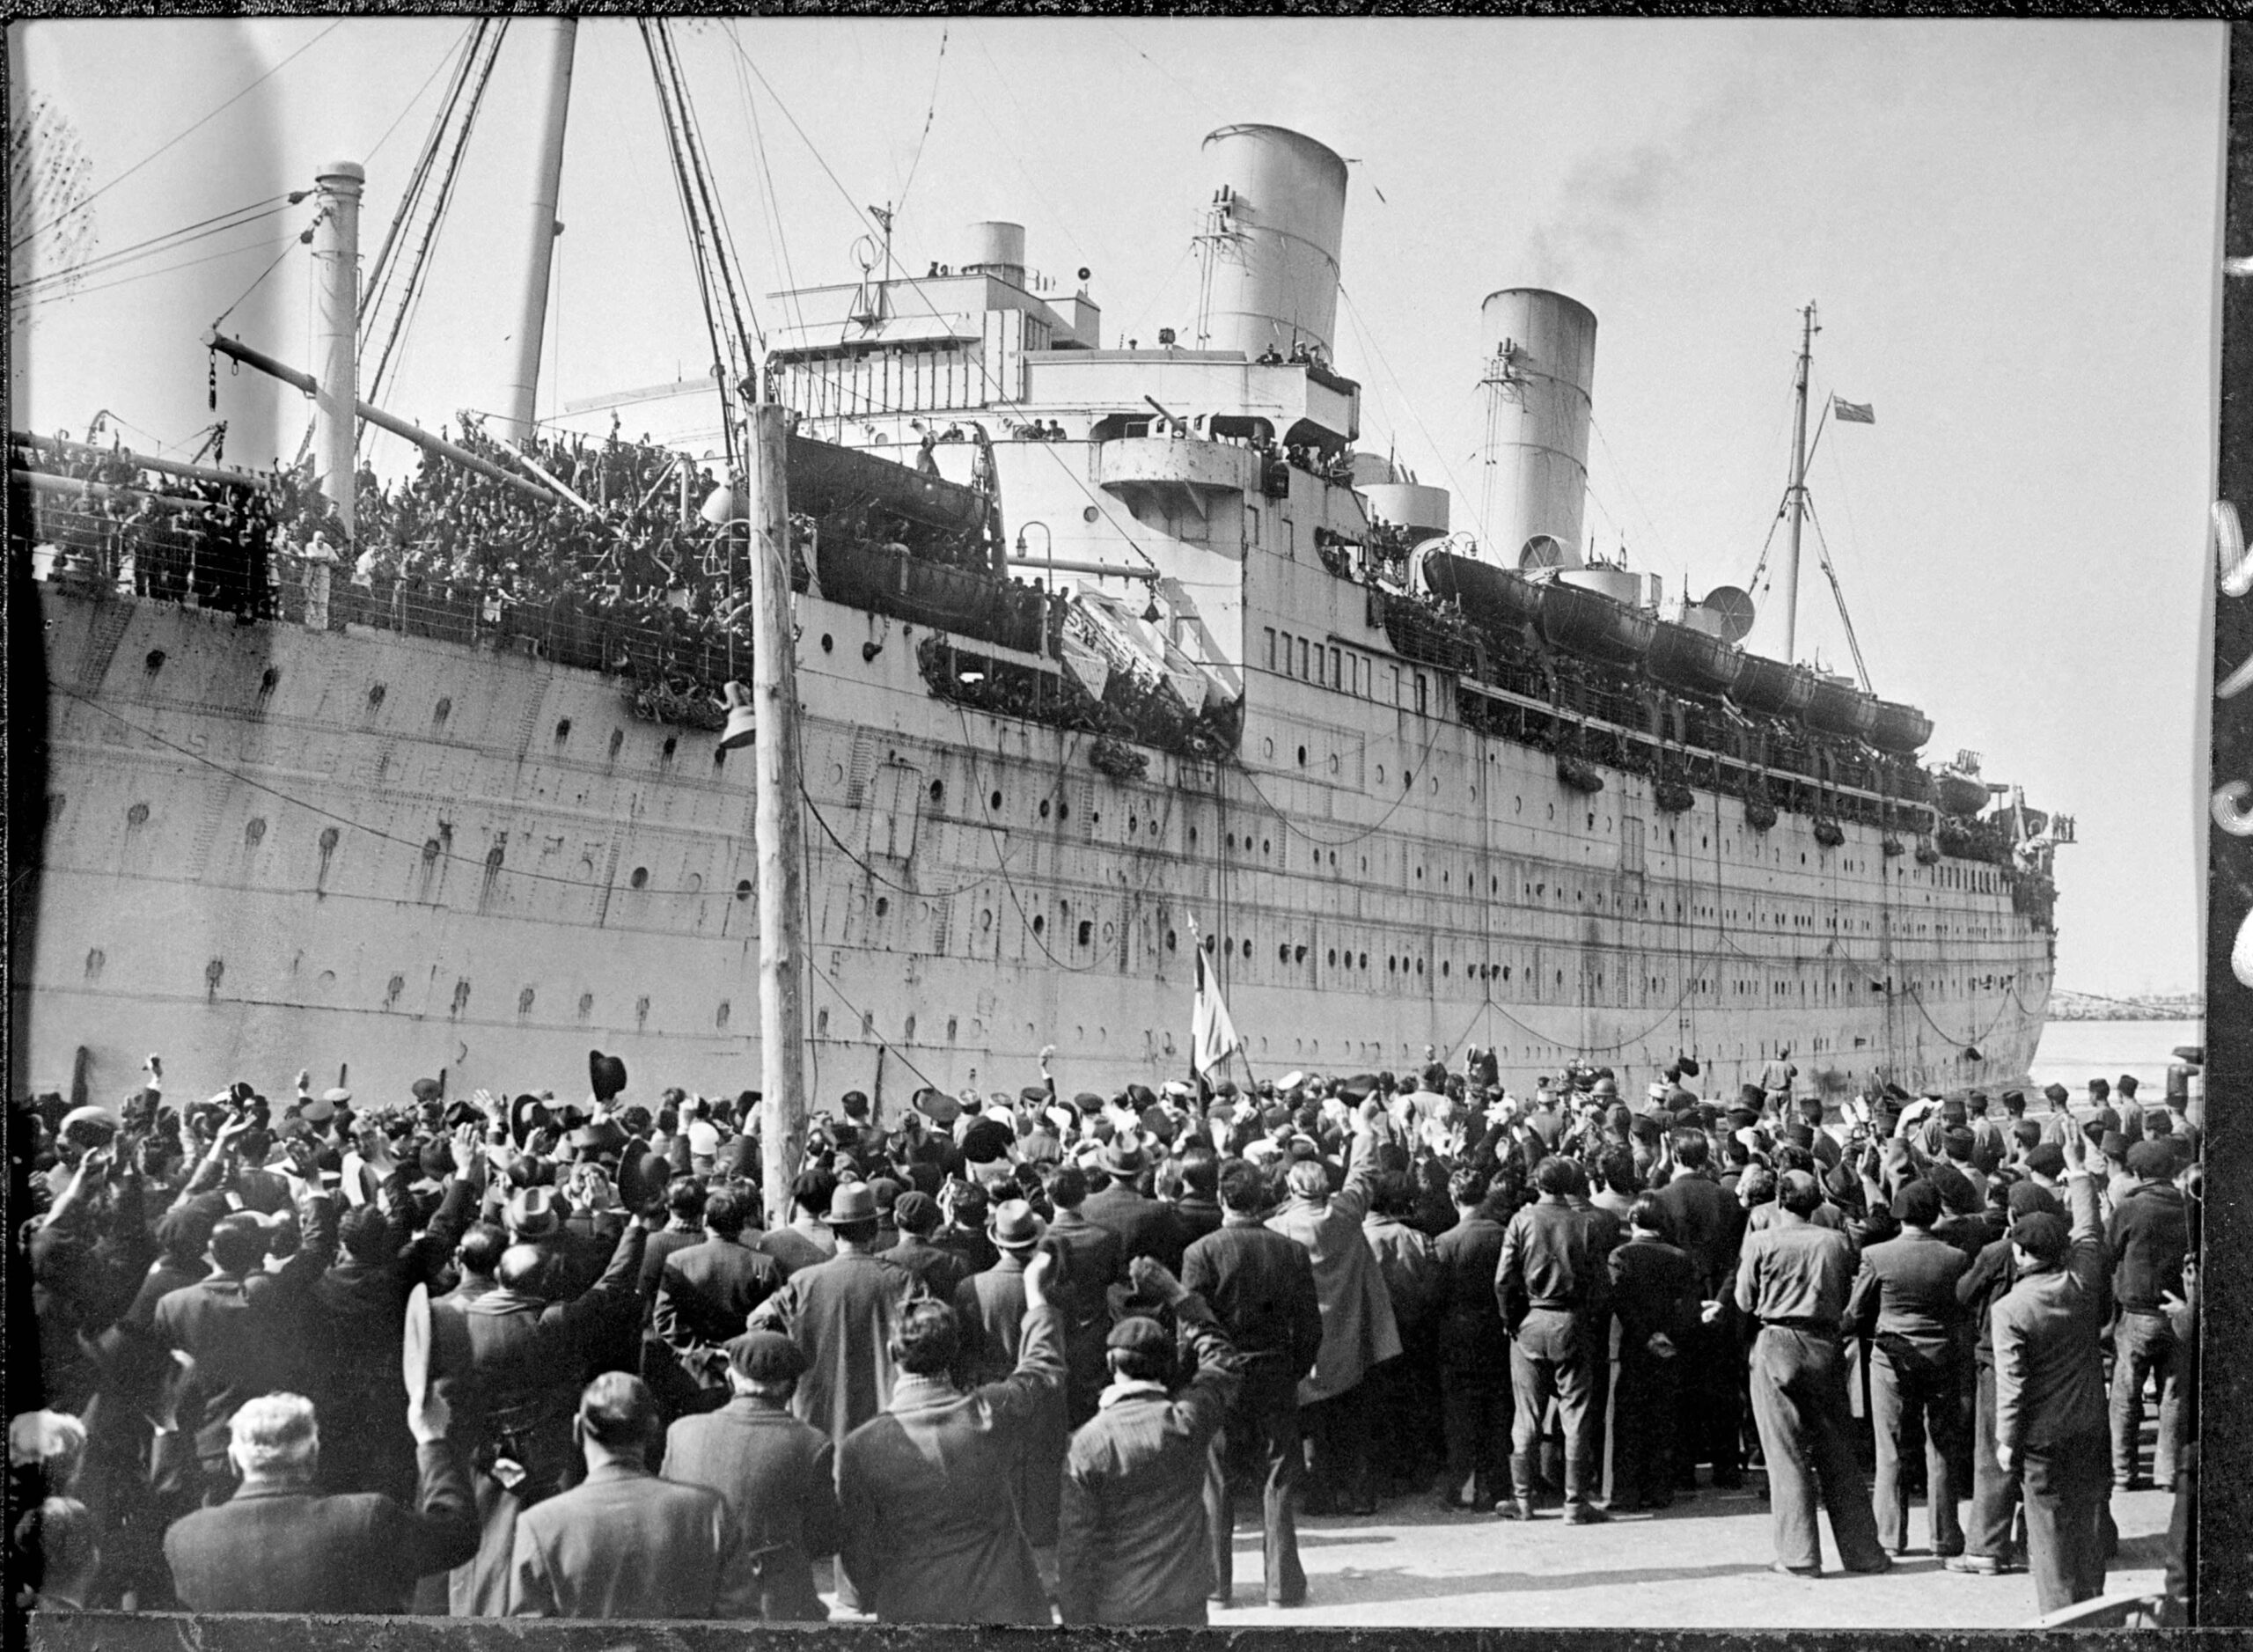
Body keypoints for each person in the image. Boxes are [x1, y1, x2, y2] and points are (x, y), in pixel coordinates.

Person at [835, 1249, 1067, 1622]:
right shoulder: (989, 1412)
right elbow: (1042, 1370)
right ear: (953, 1349)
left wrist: (866, 1597)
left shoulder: (862, 1446)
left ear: (895, 1352)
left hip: (915, 1607)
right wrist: (1034, 1294)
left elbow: (857, 1551)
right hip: (1003, 1600)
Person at [162, 1389, 478, 1612]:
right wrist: (431, 1439)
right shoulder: (365, 1518)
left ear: (233, 1461)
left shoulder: (184, 1540)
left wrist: (165, 1428)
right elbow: (456, 1535)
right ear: (313, 1457)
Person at [1057, 1257, 1243, 1626]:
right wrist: (1178, 1295)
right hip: (1184, 1603)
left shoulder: (1086, 1445)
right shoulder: (1188, 1420)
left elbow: (1075, 1552)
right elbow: (1222, 1360)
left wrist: (1077, 1625)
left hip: (1116, 1609)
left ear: (1112, 1364)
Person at [1733, 1169, 1890, 1577]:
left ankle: (1800, 1556)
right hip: (1824, 1343)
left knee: (1786, 1454)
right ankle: (1863, 1553)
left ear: (1780, 1201)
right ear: (1817, 1202)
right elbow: (1847, 1291)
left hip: (1778, 1341)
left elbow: (1744, 1299)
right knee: (1838, 1452)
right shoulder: (1837, 1241)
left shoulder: (1761, 1241)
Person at [1182, 1157, 1323, 1607]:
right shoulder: (1290, 1251)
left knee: (1216, 1477)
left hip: (1220, 1376)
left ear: (1222, 1199)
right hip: (1275, 1370)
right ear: (1261, 1200)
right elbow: (1310, 1326)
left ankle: (1215, 1586)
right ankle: (1282, 1586)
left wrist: (1193, 1376)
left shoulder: (1200, 1253)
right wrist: (1294, 1367)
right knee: (1280, 1475)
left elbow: (1191, 1327)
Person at [508, 1373, 755, 1618]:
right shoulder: (709, 1512)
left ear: (577, 1429)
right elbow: (742, 1627)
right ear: (653, 1427)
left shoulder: (540, 1525)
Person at [1992, 1125, 2112, 1614]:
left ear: (2020, 1253)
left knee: (2049, 1542)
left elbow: (2013, 1386)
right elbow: (2088, 1229)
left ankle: (2062, 1626)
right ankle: (2096, 1615)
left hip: (2042, 1440)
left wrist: (2005, 1440)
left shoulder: (2011, 1309)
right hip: (2090, 1426)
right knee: (2089, 1531)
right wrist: (2078, 1167)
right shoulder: (2082, 1280)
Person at [1267, 1106, 1396, 1516]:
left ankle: (1319, 1493)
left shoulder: (1276, 1230)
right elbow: (1363, 1176)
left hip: (1304, 1341)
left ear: (1290, 1187)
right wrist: (1362, 1130)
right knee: (1353, 1419)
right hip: (1349, 1330)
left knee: (1311, 1421)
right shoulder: (1345, 1213)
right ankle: (1359, 1493)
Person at [659, 1330, 839, 1621]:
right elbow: (826, 1538)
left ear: (731, 1380)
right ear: (791, 1389)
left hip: (698, 1605)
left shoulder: (682, 1433)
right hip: (778, 1608)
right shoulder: (812, 1444)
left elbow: (668, 1522)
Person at [1845, 1178, 1970, 1558]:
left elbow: (1855, 1312)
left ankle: (1890, 1536)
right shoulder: (1955, 1257)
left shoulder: (1877, 1256)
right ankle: (1945, 1535)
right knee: (1942, 1447)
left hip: (1891, 1357)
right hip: (1942, 1357)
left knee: (1892, 1448)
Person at [1495, 1155, 1611, 1523]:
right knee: (1575, 1414)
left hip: (1530, 1319)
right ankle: (1575, 1503)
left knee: (1526, 1413)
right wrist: (1586, 1320)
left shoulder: (1521, 1220)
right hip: (1572, 1320)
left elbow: (1503, 1279)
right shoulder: (1585, 1223)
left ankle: (1523, 1499)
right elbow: (1600, 1283)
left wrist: (1511, 1319)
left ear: (1538, 1183)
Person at [1605, 1195, 1701, 1513]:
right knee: (1663, 1418)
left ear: (1633, 1221)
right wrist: (1668, 1335)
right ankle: (1660, 1489)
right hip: (1669, 1349)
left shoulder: (1621, 1256)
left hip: (1633, 1345)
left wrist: (1646, 1334)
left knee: (1629, 1419)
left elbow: (1621, 1302)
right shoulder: (1681, 1258)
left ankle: (1626, 1491)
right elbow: (1689, 1306)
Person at [652, 1185, 785, 1408]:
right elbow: (775, 1322)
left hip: (696, 1374)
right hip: (747, 1372)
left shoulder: (679, 1262)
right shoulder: (763, 1264)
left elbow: (664, 1320)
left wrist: (703, 1352)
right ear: (743, 1224)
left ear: (705, 1221)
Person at [2106, 1137, 2190, 1492]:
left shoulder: (2130, 1207)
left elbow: (2108, 1253)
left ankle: (2123, 1472)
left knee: (2126, 1395)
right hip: (2180, 1313)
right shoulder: (2190, 1206)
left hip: (2137, 1314)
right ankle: (2167, 1473)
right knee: (2173, 1395)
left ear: (2137, 1172)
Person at [1432, 1168, 1510, 1511]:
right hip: (1497, 1331)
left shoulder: (1446, 1242)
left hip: (1458, 1334)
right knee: (1497, 1410)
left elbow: (1435, 1295)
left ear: (1454, 1199)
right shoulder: (1505, 1234)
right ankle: (1496, 1485)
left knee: (1461, 1414)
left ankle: (1461, 1485)